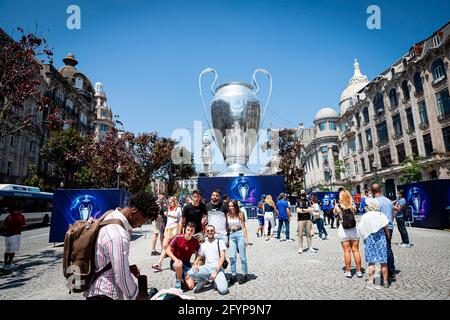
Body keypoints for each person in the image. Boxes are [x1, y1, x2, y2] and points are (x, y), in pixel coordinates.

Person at [85, 191, 159, 300]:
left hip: (95, 289)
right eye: (141, 222)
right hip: (105, 293)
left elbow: (105, 257)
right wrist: (137, 296)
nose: (139, 226)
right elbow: (122, 277)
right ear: (134, 212)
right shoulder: (119, 235)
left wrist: (126, 267)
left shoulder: (110, 215)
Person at [357, 197, 390, 288]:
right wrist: (388, 238)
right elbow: (387, 229)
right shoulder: (381, 215)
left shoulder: (365, 216)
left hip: (370, 240)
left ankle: (371, 281)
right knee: (383, 262)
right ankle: (385, 282)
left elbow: (360, 229)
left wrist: (365, 236)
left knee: (371, 262)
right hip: (381, 239)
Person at [188, 225, 229, 295]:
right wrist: (195, 265)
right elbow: (198, 256)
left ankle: (216, 280)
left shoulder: (220, 242)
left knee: (223, 290)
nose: (210, 232)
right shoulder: (203, 245)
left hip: (218, 269)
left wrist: (215, 272)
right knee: (190, 273)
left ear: (214, 232)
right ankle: (204, 280)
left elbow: (222, 258)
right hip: (207, 268)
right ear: (206, 233)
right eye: (208, 231)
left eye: (212, 230)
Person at [335, 190, 362, 278]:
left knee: (347, 251)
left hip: (344, 230)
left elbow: (334, 213)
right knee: (356, 251)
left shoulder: (338, 206)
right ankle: (359, 271)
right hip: (354, 229)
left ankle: (348, 271)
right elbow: (355, 212)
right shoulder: (352, 205)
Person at [372, 183, 396, 279]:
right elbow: (394, 213)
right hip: (389, 227)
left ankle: (383, 272)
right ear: (380, 190)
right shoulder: (388, 201)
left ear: (373, 191)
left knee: (380, 250)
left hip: (379, 228)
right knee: (388, 248)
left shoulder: (374, 202)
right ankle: (391, 270)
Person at [166, 222, 200, 290]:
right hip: (175, 262)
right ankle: (179, 281)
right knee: (179, 264)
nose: (189, 232)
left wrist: (195, 263)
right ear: (185, 230)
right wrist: (175, 259)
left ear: (194, 231)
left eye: (191, 230)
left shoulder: (195, 241)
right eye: (188, 230)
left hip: (186, 264)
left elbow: (199, 253)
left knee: (191, 286)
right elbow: (167, 250)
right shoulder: (178, 237)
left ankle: (182, 277)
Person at [152, 196, 182, 271]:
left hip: (175, 229)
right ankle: (159, 264)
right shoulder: (168, 208)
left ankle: (177, 261)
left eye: (171, 202)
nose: (169, 203)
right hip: (168, 229)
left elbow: (179, 218)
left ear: (174, 202)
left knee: (174, 246)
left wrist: (179, 231)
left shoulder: (178, 208)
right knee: (165, 245)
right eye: (169, 202)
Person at [227, 200, 249, 285]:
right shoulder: (228, 215)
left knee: (242, 257)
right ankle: (233, 275)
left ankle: (244, 275)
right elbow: (229, 227)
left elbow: (244, 227)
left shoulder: (240, 214)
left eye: (232, 206)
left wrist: (246, 239)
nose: (230, 207)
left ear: (236, 206)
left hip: (240, 235)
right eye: (229, 206)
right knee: (232, 257)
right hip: (232, 235)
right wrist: (228, 238)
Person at [3, 203, 26, 270]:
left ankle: (5, 263)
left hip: (7, 235)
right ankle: (9, 264)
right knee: (13, 250)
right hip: (15, 235)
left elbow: (4, 225)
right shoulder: (20, 216)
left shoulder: (9, 216)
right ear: (20, 210)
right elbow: (23, 225)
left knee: (7, 249)